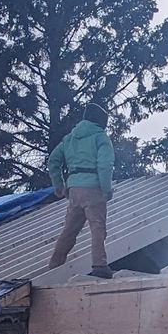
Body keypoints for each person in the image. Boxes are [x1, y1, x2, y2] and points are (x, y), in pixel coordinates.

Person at [46, 105, 116, 277]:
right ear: (101, 121)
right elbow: (105, 166)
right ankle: (99, 266)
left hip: (74, 189)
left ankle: (55, 264)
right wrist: (107, 189)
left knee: (69, 230)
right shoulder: (101, 138)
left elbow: (53, 161)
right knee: (97, 228)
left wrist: (59, 186)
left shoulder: (69, 139)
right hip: (93, 188)